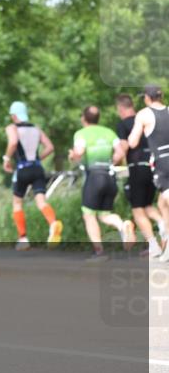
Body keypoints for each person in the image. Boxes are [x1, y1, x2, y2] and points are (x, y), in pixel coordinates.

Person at [70, 105, 133, 260]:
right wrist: (111, 161)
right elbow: (120, 152)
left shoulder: (81, 133)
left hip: (94, 176)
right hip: (110, 176)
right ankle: (122, 225)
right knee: (104, 215)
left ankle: (99, 252)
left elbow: (79, 152)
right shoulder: (108, 132)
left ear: (83, 118)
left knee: (89, 214)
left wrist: (72, 155)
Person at [3, 101, 61, 250]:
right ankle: (53, 223)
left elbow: (13, 142)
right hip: (37, 168)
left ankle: (23, 238)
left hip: (22, 169)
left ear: (14, 115)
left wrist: (7, 159)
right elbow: (50, 147)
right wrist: (38, 159)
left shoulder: (12, 128)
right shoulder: (36, 128)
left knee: (17, 203)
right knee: (41, 201)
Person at [116, 92, 164, 258]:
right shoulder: (146, 118)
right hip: (153, 166)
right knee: (148, 205)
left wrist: (114, 160)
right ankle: (162, 224)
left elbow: (124, 146)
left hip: (136, 168)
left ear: (120, 108)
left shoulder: (123, 124)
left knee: (137, 210)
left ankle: (153, 245)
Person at [127, 84, 169, 262]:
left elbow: (132, 142)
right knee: (162, 205)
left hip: (162, 163)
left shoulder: (144, 114)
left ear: (147, 97)